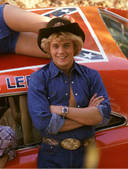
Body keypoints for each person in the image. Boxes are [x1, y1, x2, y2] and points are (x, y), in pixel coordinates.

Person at [27, 17, 111, 168]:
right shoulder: (38, 79)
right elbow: (44, 124)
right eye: (55, 46)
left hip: (87, 156)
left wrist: (61, 111)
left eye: (66, 45)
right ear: (49, 49)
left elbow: (103, 116)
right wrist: (88, 115)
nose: (61, 51)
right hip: (52, 157)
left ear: (75, 47)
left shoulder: (91, 76)